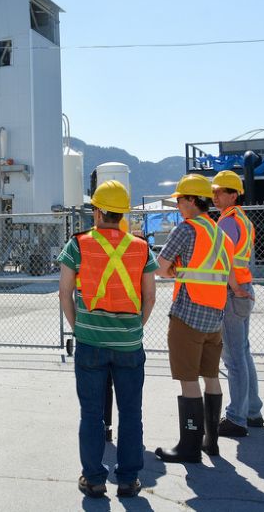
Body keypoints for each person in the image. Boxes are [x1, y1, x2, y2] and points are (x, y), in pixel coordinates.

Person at [59, 180, 157, 498]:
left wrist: (78, 326)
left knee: (91, 413)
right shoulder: (142, 247)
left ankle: (94, 478)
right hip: (129, 343)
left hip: (90, 342)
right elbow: (150, 296)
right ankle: (128, 479)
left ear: (98, 211)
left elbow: (64, 293)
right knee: (131, 412)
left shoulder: (78, 244)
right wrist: (135, 327)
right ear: (122, 213)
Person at [155, 174, 246, 464]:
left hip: (188, 312)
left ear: (192, 200)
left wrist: (172, 272)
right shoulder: (220, 232)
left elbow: (160, 266)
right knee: (211, 376)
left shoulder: (187, 229)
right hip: (215, 315)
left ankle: (189, 446)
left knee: (188, 380)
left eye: (180, 200)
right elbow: (224, 271)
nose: (178, 206)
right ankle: (211, 442)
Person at [211, 170, 264, 438]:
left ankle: (236, 418)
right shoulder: (241, 220)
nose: (215, 196)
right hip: (242, 289)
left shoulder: (227, 222)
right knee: (242, 353)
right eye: (214, 191)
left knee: (234, 357)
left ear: (234, 194)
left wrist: (233, 288)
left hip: (234, 293)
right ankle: (252, 411)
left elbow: (225, 260)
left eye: (220, 191)